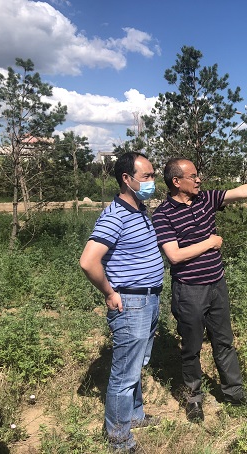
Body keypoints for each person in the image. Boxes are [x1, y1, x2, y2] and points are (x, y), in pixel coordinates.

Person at [152, 157, 247, 422]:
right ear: (176, 181)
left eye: (198, 175)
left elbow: (244, 191)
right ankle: (194, 399)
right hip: (189, 291)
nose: (199, 180)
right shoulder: (163, 215)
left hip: (217, 284)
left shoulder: (205, 199)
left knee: (224, 341)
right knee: (191, 347)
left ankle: (234, 393)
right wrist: (210, 242)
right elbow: (175, 256)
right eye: (193, 176)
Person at [80, 152, 165, 453]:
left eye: (153, 175)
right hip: (130, 303)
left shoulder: (139, 210)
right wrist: (109, 292)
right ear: (127, 179)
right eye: (146, 177)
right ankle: (119, 440)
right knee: (124, 375)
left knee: (136, 364)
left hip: (149, 298)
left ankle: (134, 415)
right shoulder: (115, 216)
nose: (152, 182)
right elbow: (88, 261)